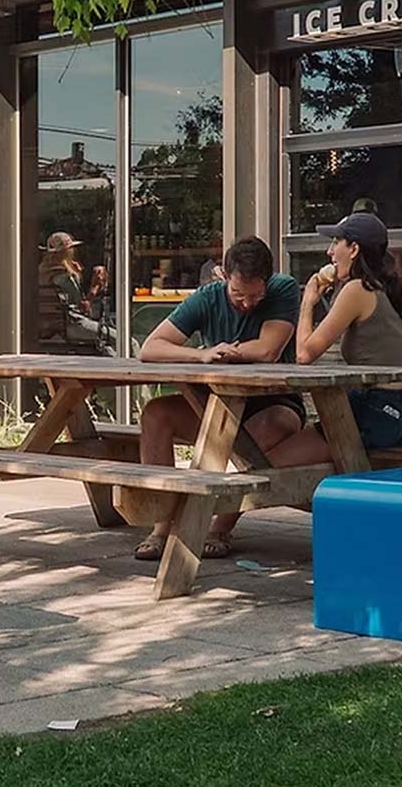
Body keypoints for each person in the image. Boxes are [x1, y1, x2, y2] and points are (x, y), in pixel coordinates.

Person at [134, 236, 303, 561]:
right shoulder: (207, 297)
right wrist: (200, 354)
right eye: (238, 294)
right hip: (216, 403)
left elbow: (268, 349)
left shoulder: (283, 289)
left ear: (268, 281)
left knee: (269, 427)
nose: (247, 303)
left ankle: (218, 527)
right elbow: (151, 348)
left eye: (255, 295)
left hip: (274, 403)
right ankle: (162, 526)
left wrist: (225, 351)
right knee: (156, 413)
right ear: (224, 275)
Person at [290, 211, 402, 451]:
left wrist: (308, 300)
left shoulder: (357, 289)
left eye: (335, 242)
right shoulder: (391, 288)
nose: (329, 252)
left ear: (354, 249)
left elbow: (304, 354)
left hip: (375, 414)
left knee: (275, 458)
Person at [38, 231, 108, 316]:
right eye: (71, 248)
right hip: (67, 319)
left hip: (44, 318)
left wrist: (77, 273)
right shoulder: (65, 278)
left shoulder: (41, 272)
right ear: (65, 252)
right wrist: (95, 286)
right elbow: (82, 307)